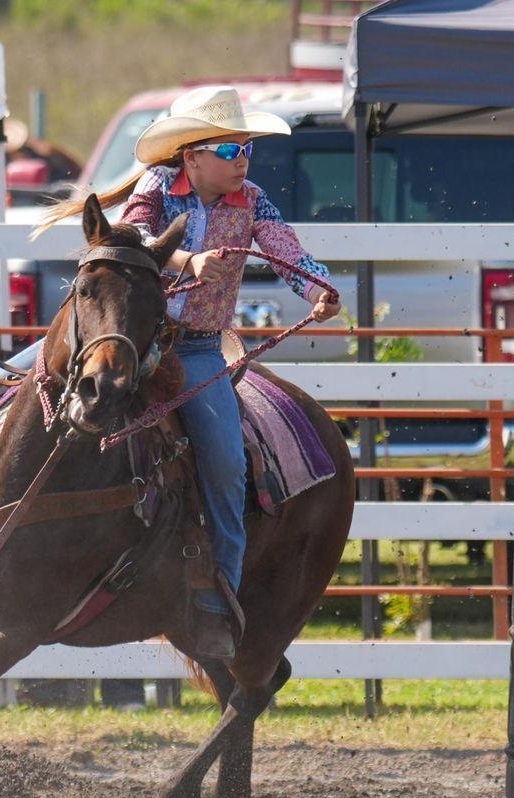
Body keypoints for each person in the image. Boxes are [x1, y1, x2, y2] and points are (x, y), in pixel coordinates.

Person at [28, 85, 340, 659]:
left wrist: (317, 288)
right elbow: (134, 238)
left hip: (192, 348)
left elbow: (287, 251)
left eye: (244, 147)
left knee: (225, 462)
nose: (240, 158)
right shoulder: (155, 188)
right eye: (226, 149)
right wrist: (183, 260)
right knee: (21, 382)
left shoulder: (253, 202)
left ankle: (219, 595)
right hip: (127, 334)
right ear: (191, 156)